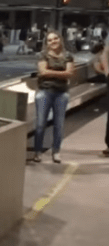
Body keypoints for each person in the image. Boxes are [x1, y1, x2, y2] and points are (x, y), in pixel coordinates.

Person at [34, 31, 75, 164]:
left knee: (59, 124)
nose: (53, 42)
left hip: (61, 94)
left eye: (55, 38)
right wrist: (61, 73)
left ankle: (56, 152)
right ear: (47, 43)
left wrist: (50, 73)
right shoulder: (42, 55)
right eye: (50, 40)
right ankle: (37, 151)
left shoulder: (68, 55)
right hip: (44, 92)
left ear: (60, 39)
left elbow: (69, 74)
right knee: (40, 124)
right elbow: (42, 72)